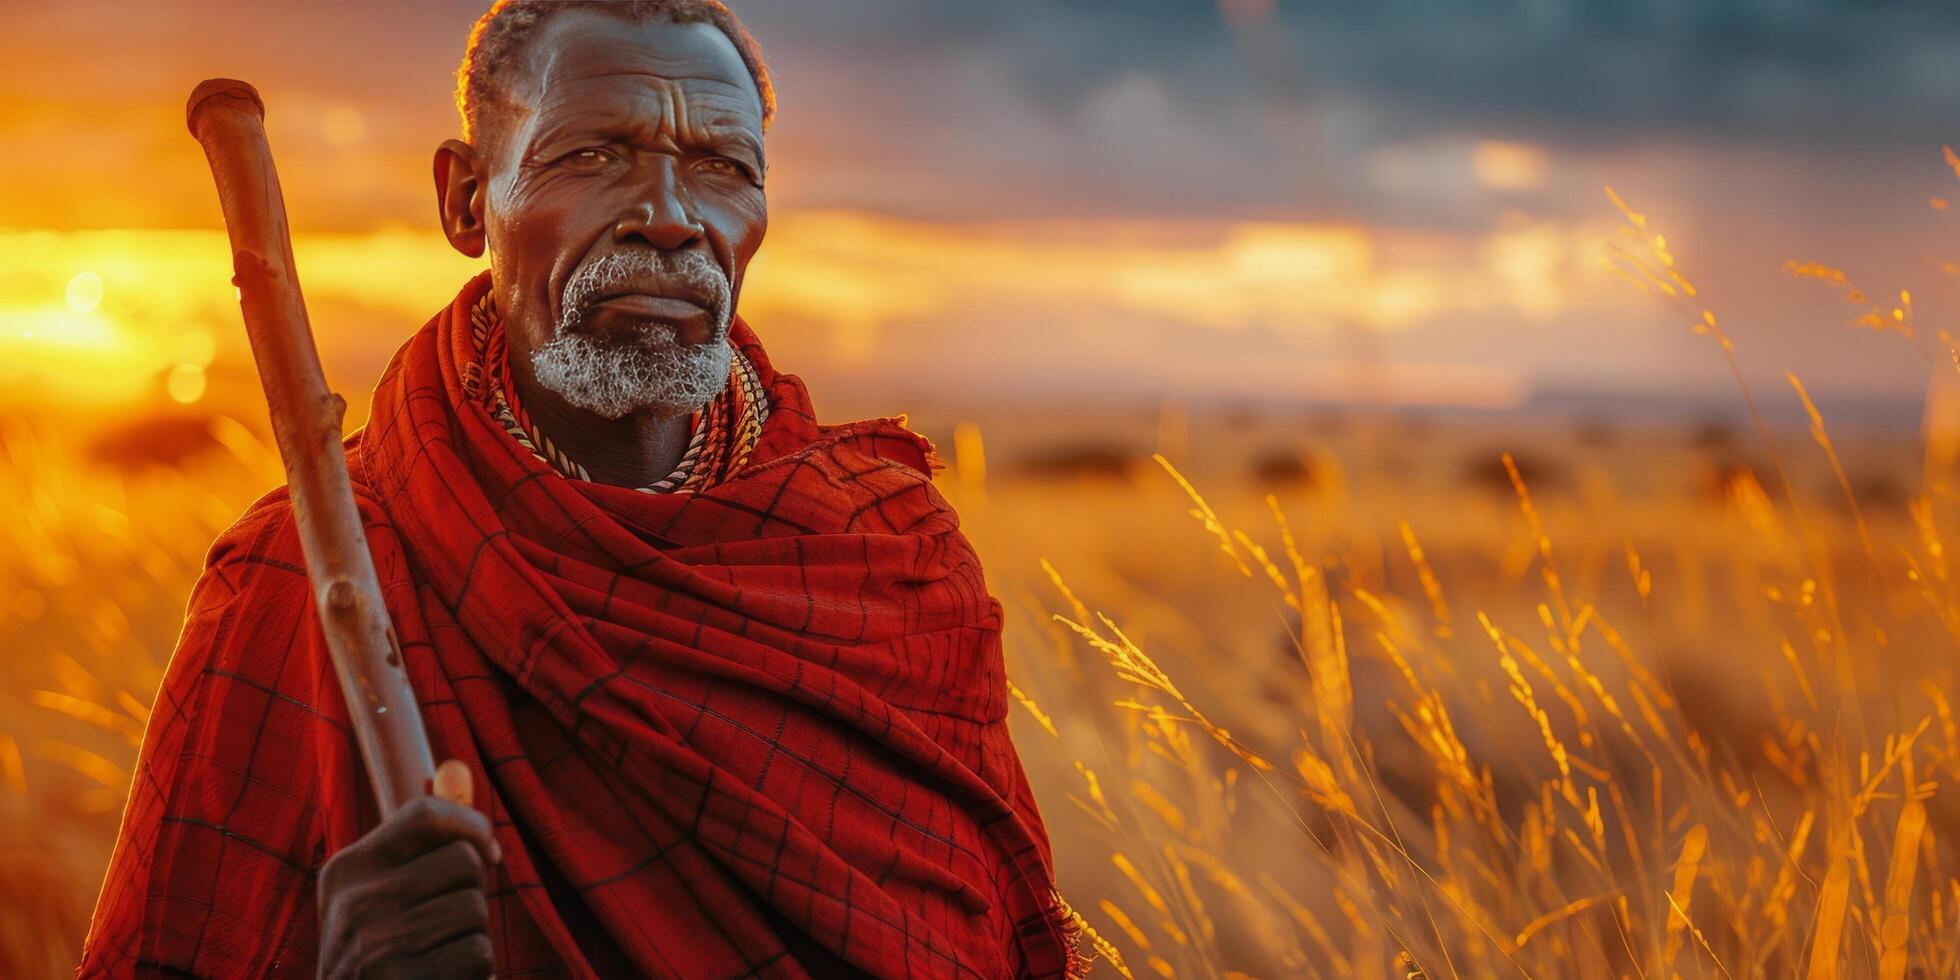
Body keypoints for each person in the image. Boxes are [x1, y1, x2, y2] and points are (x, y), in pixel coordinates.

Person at [77, 2, 1079, 976]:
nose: (671, 218)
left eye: (722, 167)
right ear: (467, 199)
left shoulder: (890, 553)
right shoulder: (302, 576)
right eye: (594, 155)